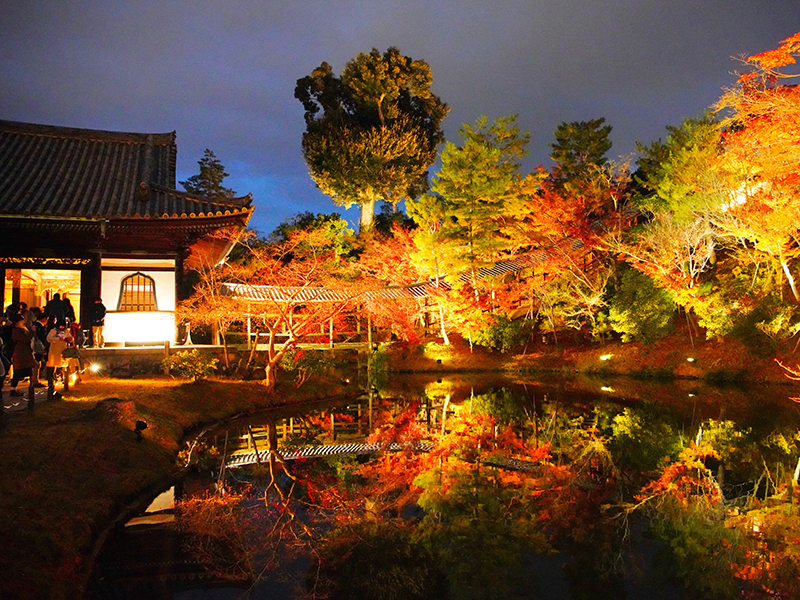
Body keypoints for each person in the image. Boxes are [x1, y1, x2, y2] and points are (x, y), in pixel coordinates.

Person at [8, 314, 40, 397]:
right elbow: (24, 339)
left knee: (31, 367)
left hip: (25, 352)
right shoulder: (16, 331)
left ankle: (31, 386)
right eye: (21, 320)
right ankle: (13, 389)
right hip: (20, 353)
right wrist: (31, 332)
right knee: (19, 370)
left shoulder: (23, 329)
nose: (23, 322)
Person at [46, 320, 73, 398]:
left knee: (63, 366)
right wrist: (58, 339)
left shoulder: (66, 331)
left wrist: (69, 339)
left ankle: (63, 379)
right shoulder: (53, 331)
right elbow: (48, 338)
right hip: (54, 351)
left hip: (63, 350)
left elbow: (70, 338)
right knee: (52, 364)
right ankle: (52, 381)